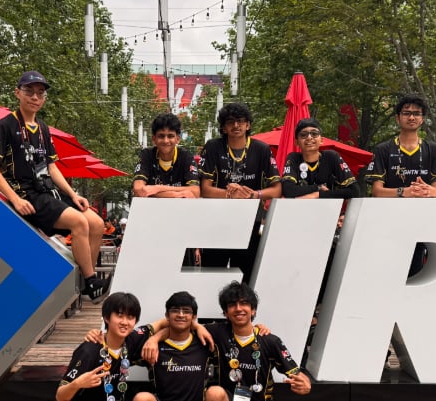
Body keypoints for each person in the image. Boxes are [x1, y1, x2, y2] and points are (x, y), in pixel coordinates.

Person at [0, 71, 108, 304]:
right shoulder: (4, 126)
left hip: (49, 191)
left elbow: (51, 166)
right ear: (17, 93)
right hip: (27, 194)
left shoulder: (43, 128)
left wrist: (73, 194)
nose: (35, 97)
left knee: (97, 224)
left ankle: (81, 280)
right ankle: (91, 280)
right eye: (29, 91)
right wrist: (16, 200)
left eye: (40, 93)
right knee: (79, 223)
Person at [198, 103, 281, 277]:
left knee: (247, 276)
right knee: (212, 275)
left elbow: (277, 189)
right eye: (230, 122)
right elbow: (204, 189)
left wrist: (253, 194)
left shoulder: (262, 149)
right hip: (216, 221)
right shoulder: (212, 146)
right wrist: (230, 195)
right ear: (224, 127)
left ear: (248, 125)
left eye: (241, 121)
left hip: (250, 221)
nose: (236, 125)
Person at [279, 118, 359, 200]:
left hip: (328, 210)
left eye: (314, 134)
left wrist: (317, 195)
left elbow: (354, 191)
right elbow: (288, 190)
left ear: (321, 140)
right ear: (296, 142)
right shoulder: (293, 158)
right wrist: (318, 187)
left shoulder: (331, 157)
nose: (309, 137)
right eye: (303, 135)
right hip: (299, 210)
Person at [132, 113, 200, 199]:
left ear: (177, 139)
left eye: (170, 136)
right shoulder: (146, 155)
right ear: (154, 139)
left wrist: (157, 188)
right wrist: (178, 195)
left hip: (179, 210)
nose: (166, 140)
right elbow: (138, 189)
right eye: (161, 136)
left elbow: (195, 192)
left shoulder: (186, 156)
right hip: (152, 210)